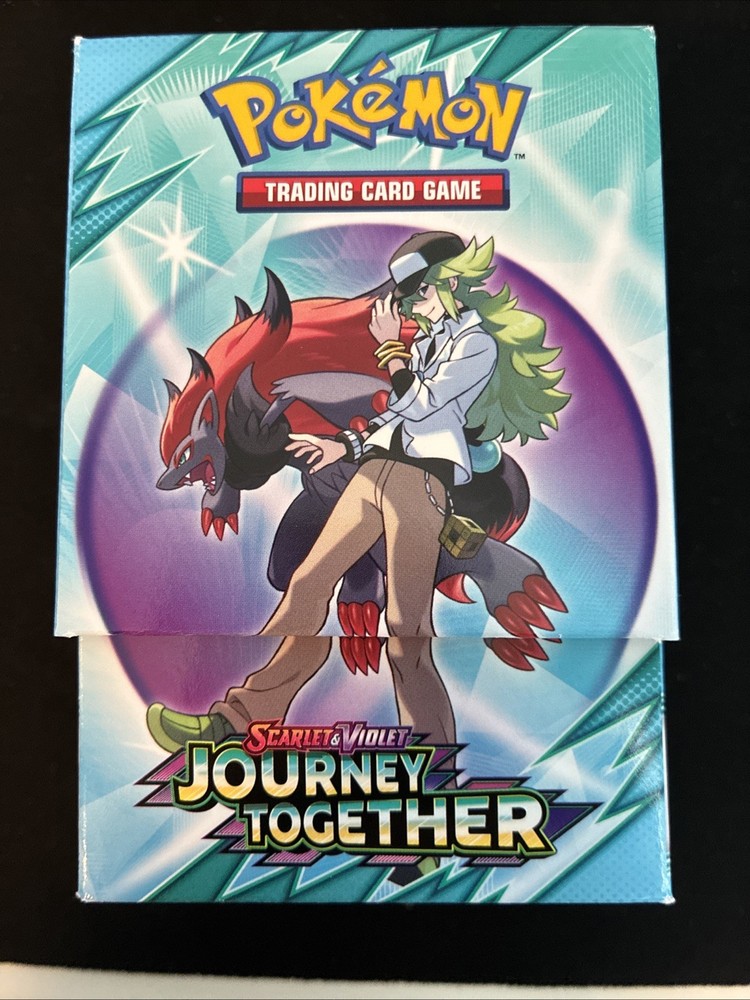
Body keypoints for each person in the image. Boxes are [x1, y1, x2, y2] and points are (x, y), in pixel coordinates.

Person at [147, 230, 566, 752]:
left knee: (405, 636)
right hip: (375, 473)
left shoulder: (475, 345)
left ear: (450, 284)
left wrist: (391, 349)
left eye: (420, 293)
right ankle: (236, 720)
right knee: (305, 589)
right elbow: (390, 418)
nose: (413, 305)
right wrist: (340, 446)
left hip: (419, 484)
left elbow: (420, 405)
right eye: (409, 296)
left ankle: (436, 761)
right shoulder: (431, 343)